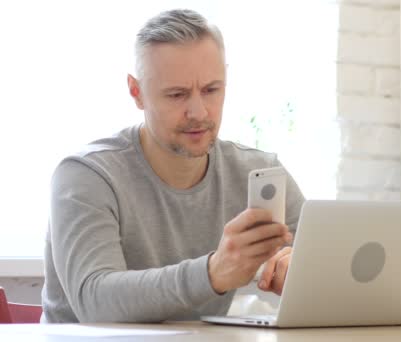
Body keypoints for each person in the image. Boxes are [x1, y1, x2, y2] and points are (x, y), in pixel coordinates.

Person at [41, 9, 305, 323]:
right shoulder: (87, 176)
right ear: (136, 92)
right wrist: (213, 273)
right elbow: (95, 301)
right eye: (177, 94)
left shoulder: (257, 171)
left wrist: (302, 269)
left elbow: (332, 263)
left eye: (211, 90)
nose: (198, 111)